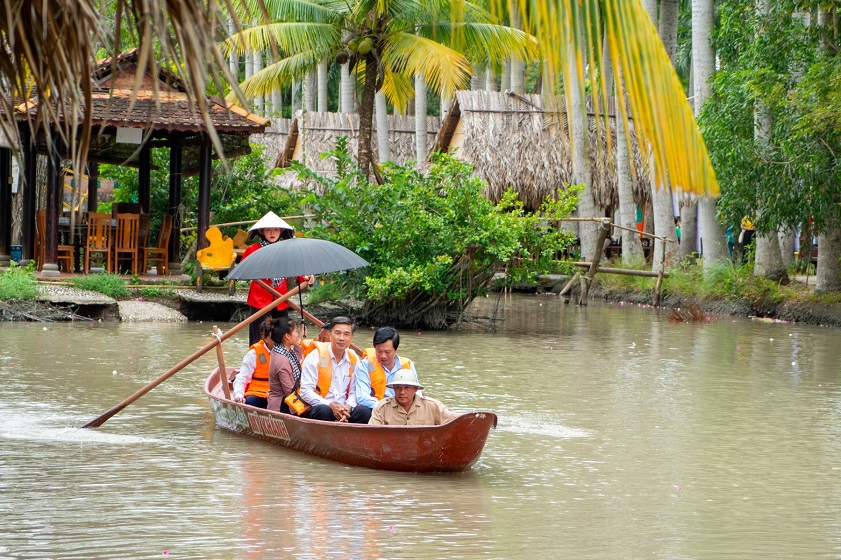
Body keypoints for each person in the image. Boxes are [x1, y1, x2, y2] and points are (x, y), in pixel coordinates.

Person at [242, 211, 314, 345]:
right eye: (268, 230)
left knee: (282, 335)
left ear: (281, 231)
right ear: (262, 231)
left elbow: (296, 270)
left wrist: (306, 277)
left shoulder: (287, 250)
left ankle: (280, 360)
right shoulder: (253, 250)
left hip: (280, 298)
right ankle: (257, 361)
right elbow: (243, 271)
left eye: (275, 229)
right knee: (259, 336)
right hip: (259, 299)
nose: (272, 233)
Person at [293, 316, 369, 423]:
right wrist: (330, 405)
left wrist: (348, 407)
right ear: (330, 335)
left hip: (343, 408)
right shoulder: (315, 356)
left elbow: (354, 391)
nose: (341, 338)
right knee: (323, 411)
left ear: (351, 338)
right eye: (337, 333)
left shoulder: (354, 358)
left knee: (365, 412)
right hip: (320, 406)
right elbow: (305, 392)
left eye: (346, 334)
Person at [354, 327, 417, 421]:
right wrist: (387, 407)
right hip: (376, 409)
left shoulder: (407, 365)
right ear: (374, 347)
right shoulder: (366, 365)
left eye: (387, 352)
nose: (383, 356)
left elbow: (417, 394)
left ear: (396, 349)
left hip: (403, 409)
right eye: (379, 351)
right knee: (363, 411)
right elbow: (362, 397)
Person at [368, 369, 458, 426]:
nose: (402, 392)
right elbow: (372, 433)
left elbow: (456, 421)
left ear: (415, 389)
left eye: (407, 387)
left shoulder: (433, 406)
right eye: (398, 387)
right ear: (394, 389)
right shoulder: (382, 408)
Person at [232, 317, 278, 408]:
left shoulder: (286, 352)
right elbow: (242, 377)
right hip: (257, 394)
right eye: (274, 337)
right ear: (265, 338)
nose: (277, 340)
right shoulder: (254, 353)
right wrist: (239, 395)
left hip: (276, 395)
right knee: (250, 402)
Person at [267, 316, 302, 413]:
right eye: (295, 331)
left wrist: (299, 340)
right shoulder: (282, 359)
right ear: (287, 336)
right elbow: (289, 391)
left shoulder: (281, 350)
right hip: (282, 406)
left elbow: (296, 360)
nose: (297, 334)